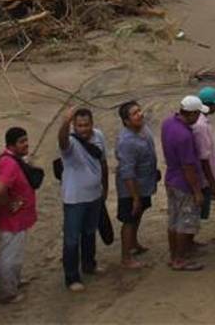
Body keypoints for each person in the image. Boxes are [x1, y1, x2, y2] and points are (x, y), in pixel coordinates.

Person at [57, 106, 108, 292]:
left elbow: (103, 162)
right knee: (71, 239)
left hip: (94, 195)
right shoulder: (70, 142)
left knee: (89, 232)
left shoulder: (99, 136)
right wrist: (65, 123)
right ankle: (71, 277)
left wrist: (105, 188)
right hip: (74, 199)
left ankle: (89, 264)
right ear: (74, 126)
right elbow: (62, 141)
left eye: (86, 125)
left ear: (92, 124)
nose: (83, 129)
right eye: (79, 125)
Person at [160, 97, 207, 271]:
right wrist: (197, 191)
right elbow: (188, 167)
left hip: (171, 178)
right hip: (183, 183)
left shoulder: (168, 123)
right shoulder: (185, 135)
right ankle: (179, 258)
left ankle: (174, 256)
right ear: (193, 113)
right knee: (184, 223)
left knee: (173, 220)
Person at [0, 127, 37, 304]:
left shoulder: (14, 160)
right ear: (11, 145)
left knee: (15, 253)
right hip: (12, 218)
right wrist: (9, 204)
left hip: (18, 218)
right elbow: (0, 189)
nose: (26, 144)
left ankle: (14, 282)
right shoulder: (9, 163)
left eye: (26, 140)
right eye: (21, 142)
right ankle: (7, 293)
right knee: (9, 255)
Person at [114, 100, 157, 269]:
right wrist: (135, 197)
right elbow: (127, 172)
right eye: (134, 113)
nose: (140, 114)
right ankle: (126, 257)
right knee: (129, 219)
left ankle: (133, 244)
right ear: (126, 121)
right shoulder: (127, 141)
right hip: (131, 189)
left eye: (139, 111)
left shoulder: (143, 129)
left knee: (138, 214)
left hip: (145, 183)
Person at [192, 86, 215, 223]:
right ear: (209, 105)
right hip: (204, 177)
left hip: (204, 175)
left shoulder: (201, 121)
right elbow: (203, 158)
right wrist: (212, 183)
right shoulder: (200, 126)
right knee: (196, 212)